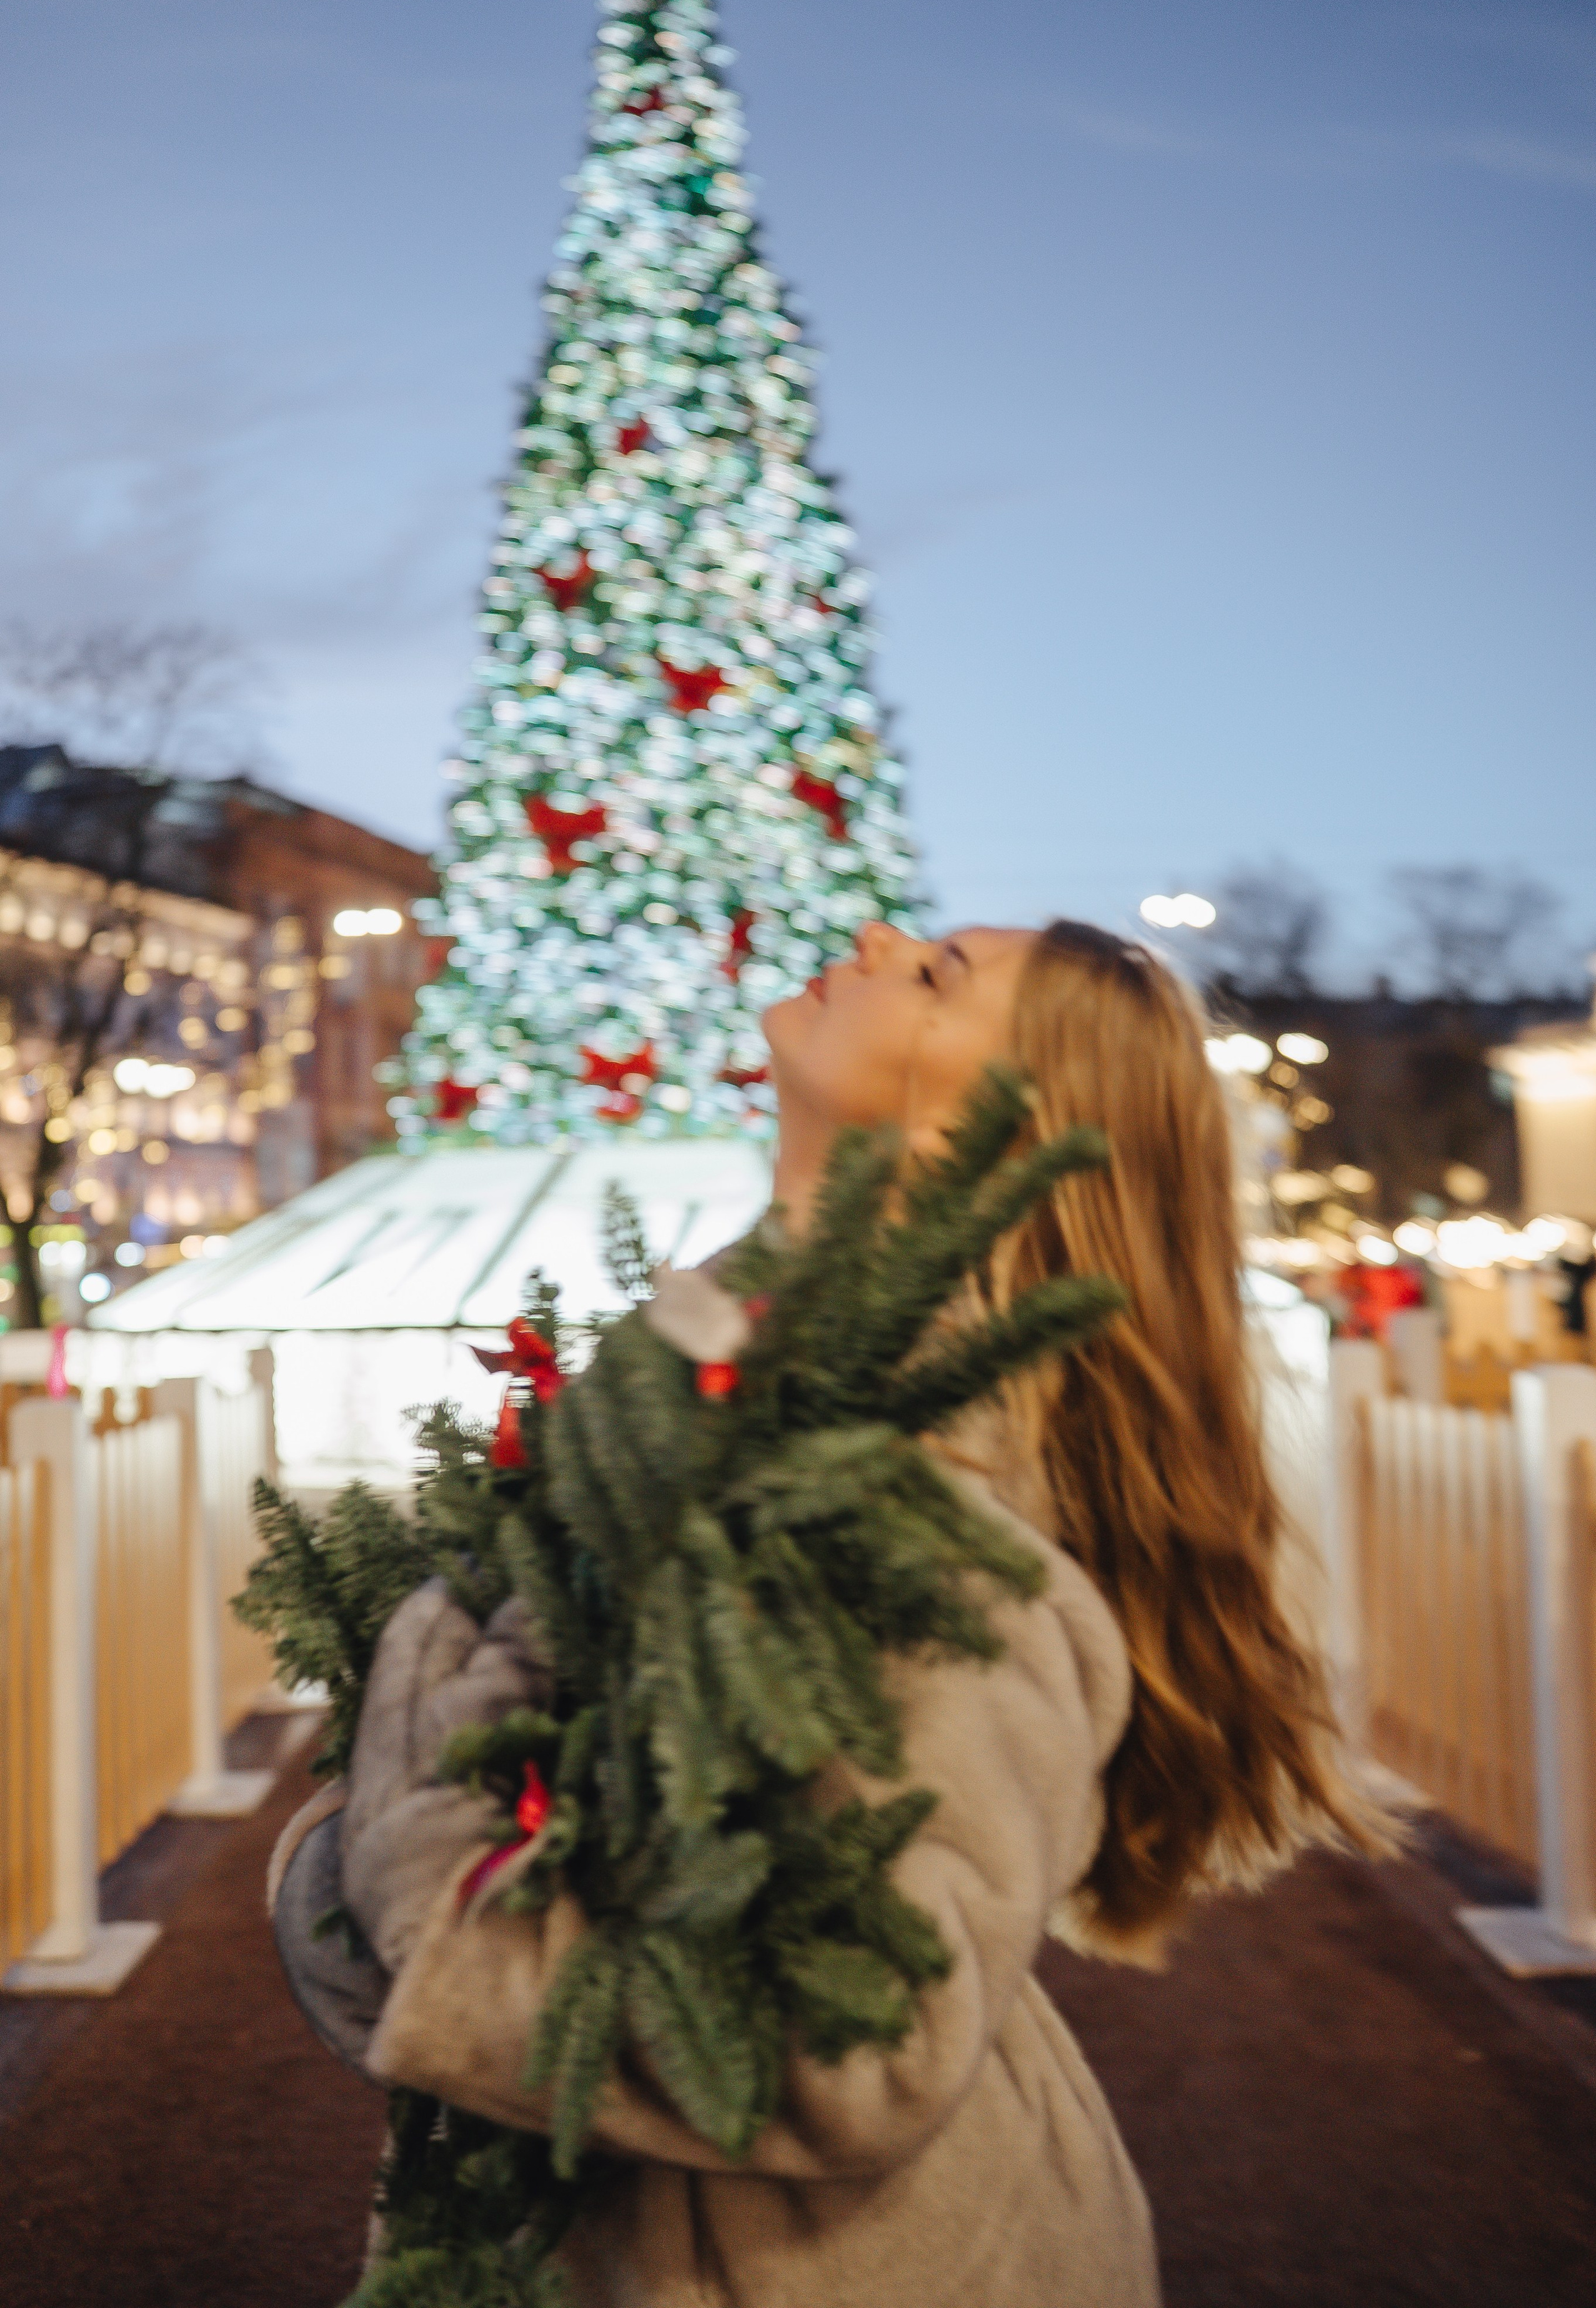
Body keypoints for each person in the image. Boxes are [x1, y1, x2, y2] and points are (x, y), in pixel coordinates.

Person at [269, 917, 1375, 2307]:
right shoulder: (728, 1368)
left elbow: (849, 2052)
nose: (869, 933)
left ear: (1001, 1123)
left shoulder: (914, 1491)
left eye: (938, 973)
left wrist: (406, 1884)